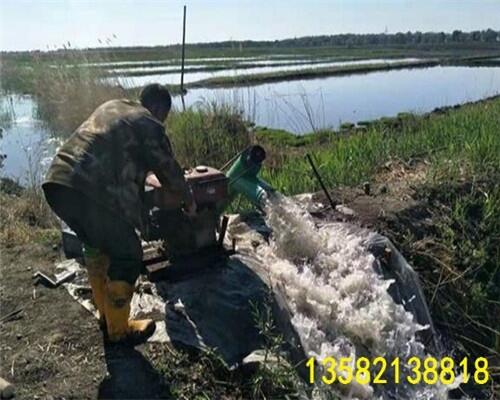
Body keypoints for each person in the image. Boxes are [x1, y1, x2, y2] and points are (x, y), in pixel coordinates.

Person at [42, 84, 195, 344]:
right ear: (158, 109)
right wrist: (188, 200)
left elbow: (117, 155)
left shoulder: (114, 106)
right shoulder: (148, 121)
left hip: (58, 184)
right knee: (128, 253)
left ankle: (106, 316)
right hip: (90, 190)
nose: (162, 122)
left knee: (98, 244)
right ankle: (119, 332)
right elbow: (168, 169)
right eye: (164, 117)